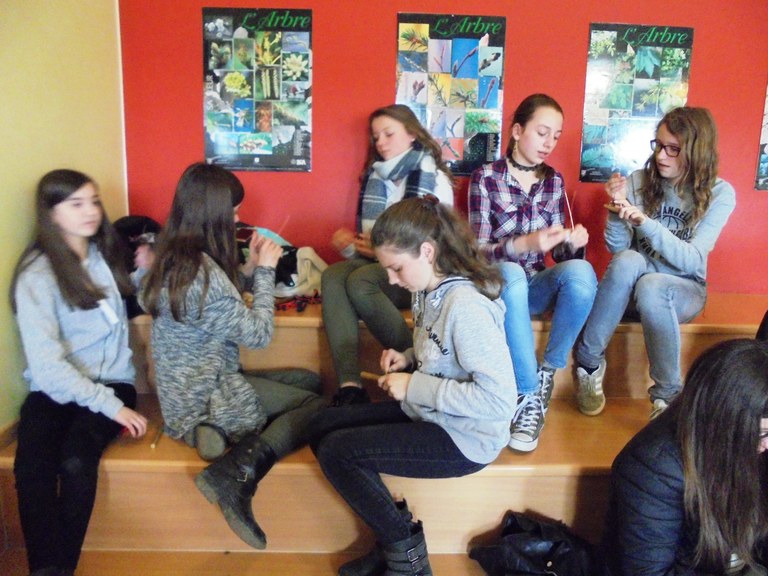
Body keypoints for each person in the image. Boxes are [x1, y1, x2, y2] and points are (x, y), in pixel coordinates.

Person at [310, 196, 517, 576]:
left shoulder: (466, 306)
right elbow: (441, 350)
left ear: (427, 251)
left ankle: (408, 561)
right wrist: (408, 356)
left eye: (396, 268)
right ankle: (394, 539)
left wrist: (414, 387)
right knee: (322, 426)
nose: (391, 280)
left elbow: (499, 401)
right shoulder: (427, 289)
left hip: (465, 437)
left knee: (338, 452)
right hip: (432, 412)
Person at [140, 163, 325, 549]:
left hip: (181, 391)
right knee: (316, 405)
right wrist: (266, 272)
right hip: (206, 392)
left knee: (309, 381)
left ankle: (210, 431)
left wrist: (248, 269)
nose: (238, 219)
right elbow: (259, 335)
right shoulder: (202, 274)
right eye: (234, 212)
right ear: (213, 215)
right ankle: (236, 473)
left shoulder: (173, 256)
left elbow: (212, 307)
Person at [10, 169, 149, 576]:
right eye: (76, 204)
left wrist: (145, 270)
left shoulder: (106, 254)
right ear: (51, 214)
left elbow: (127, 304)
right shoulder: (37, 275)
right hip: (56, 388)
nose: (90, 211)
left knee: (75, 461)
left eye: (94, 201)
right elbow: (48, 368)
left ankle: (57, 570)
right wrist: (110, 407)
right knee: (32, 468)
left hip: (113, 382)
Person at [574, 107, 736, 419]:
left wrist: (645, 223)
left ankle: (666, 399)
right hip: (632, 290)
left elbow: (692, 260)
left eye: (673, 149)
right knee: (629, 259)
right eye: (659, 145)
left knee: (652, 285)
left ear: (696, 151)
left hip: (683, 291)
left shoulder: (720, 193)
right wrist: (617, 207)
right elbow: (618, 250)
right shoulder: (639, 181)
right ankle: (588, 364)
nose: (661, 156)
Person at [469, 93, 597, 452]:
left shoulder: (554, 182)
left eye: (555, 136)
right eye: (542, 133)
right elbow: (476, 253)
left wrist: (571, 242)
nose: (549, 143)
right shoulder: (485, 178)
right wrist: (523, 244)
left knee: (582, 271)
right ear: (516, 131)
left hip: (535, 288)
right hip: (499, 289)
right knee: (511, 273)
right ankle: (526, 396)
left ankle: (546, 374)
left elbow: (556, 252)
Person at [322, 104, 455, 407]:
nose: (380, 142)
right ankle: (350, 386)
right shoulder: (377, 178)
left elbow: (435, 247)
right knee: (333, 275)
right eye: (376, 136)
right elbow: (377, 249)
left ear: (412, 134)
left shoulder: (434, 180)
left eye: (388, 134)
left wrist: (379, 249)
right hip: (382, 267)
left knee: (360, 280)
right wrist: (351, 246)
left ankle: (417, 363)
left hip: (421, 275)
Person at [603, 339, 768, 575]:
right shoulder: (653, 469)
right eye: (761, 433)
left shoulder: (751, 442)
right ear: (724, 423)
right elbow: (650, 572)